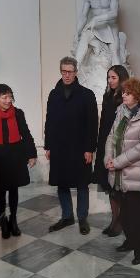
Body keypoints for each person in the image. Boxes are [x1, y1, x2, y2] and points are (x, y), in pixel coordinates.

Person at [44, 57, 98, 235]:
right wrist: (48, 146)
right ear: (61, 72)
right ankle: (67, 216)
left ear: (76, 72)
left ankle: (82, 218)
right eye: (64, 71)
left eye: (70, 71)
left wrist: (90, 148)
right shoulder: (54, 94)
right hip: (59, 147)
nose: (66, 75)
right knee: (62, 183)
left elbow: (92, 124)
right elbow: (49, 121)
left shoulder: (87, 95)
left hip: (80, 147)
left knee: (82, 184)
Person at [104, 78, 140, 265]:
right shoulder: (121, 111)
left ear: (138, 95)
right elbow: (111, 136)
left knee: (137, 216)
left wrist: (117, 162)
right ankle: (130, 241)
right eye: (123, 92)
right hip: (118, 173)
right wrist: (108, 158)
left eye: (127, 92)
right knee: (124, 215)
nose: (123, 95)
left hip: (135, 174)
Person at [0, 84, 37, 239]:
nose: (8, 100)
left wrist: (32, 154)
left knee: (14, 189)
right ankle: (3, 221)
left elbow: (25, 134)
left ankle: (13, 219)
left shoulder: (18, 113)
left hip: (15, 156)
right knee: (0, 192)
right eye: (4, 97)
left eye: (10, 96)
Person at [93, 65, 130, 237]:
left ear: (122, 78)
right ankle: (114, 220)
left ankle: (120, 221)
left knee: (118, 187)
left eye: (113, 77)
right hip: (105, 144)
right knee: (109, 186)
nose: (110, 81)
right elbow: (104, 122)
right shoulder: (107, 95)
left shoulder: (126, 98)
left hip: (118, 146)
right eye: (108, 77)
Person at [72, 0, 121, 65]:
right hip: (95, 28)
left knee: (114, 53)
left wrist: (96, 19)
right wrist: (77, 33)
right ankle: (75, 68)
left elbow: (114, 13)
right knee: (84, 37)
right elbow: (83, 16)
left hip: (109, 27)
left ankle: (119, 78)